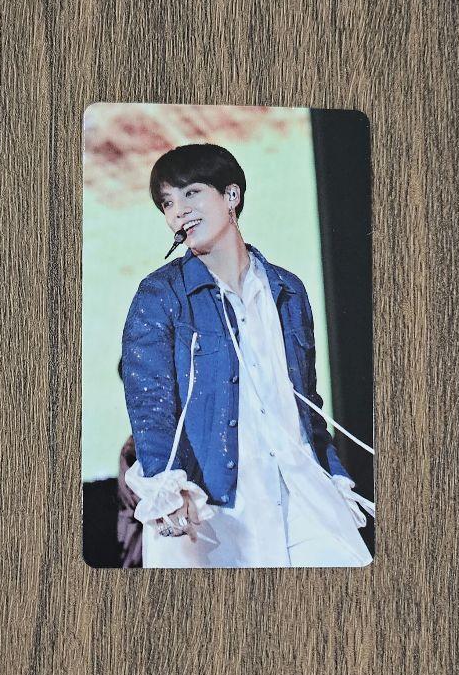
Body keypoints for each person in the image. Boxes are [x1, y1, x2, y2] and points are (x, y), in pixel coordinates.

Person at [120, 142, 375, 568]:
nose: (179, 211)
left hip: (299, 493)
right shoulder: (160, 294)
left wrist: (333, 473)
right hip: (211, 509)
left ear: (231, 196)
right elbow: (150, 406)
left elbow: (306, 403)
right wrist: (167, 485)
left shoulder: (287, 290)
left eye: (191, 193)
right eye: (167, 203)